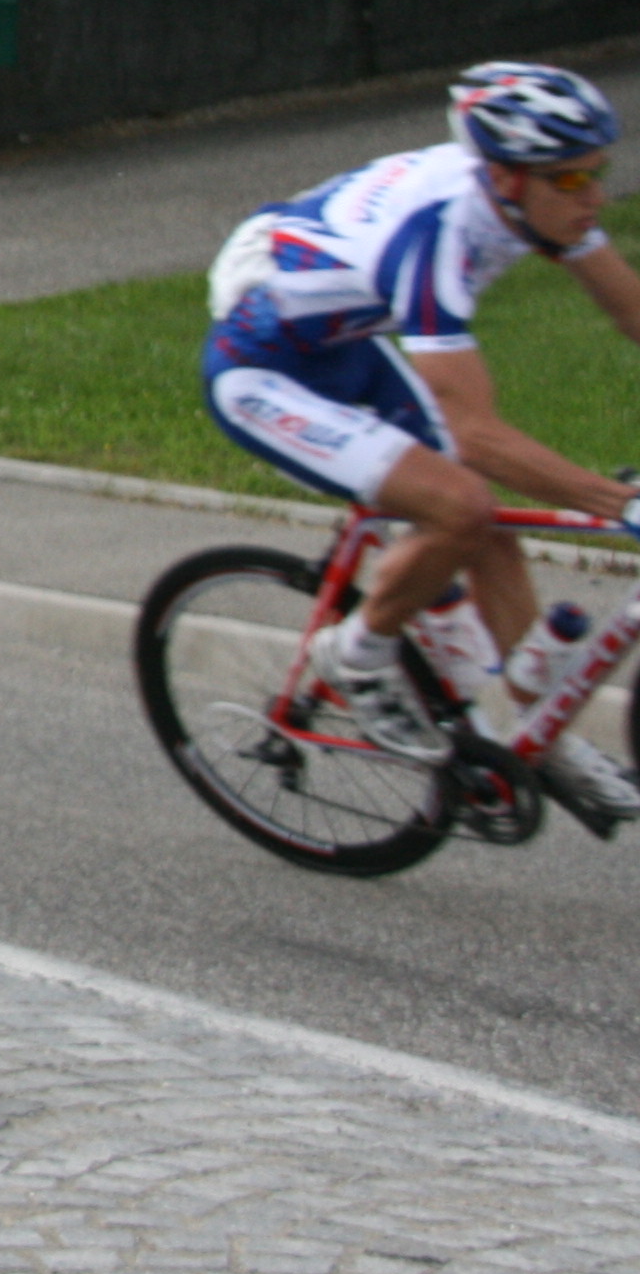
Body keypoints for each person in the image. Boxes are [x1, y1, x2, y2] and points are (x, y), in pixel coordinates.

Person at [200, 61, 640, 810]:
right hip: (261, 367)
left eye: (596, 172)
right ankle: (357, 654)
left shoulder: (538, 201)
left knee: (488, 527)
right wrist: (616, 502)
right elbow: (476, 434)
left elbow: (632, 312)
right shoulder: (436, 238)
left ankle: (542, 736)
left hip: (339, 339)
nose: (593, 195)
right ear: (506, 179)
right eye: (571, 180)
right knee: (462, 501)